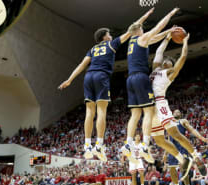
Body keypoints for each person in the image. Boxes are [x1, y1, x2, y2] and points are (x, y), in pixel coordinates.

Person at [58, 8, 155, 160]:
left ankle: (87, 145)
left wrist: (70, 79)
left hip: (88, 76)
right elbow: (132, 29)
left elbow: (81, 65)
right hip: (101, 77)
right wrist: (145, 16)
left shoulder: (92, 49)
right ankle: (99, 145)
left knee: (90, 112)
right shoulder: (111, 44)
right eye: (109, 34)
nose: (111, 35)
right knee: (101, 111)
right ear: (105, 37)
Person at [148, 33, 207, 179]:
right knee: (159, 140)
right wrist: (167, 38)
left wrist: (185, 43)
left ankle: (196, 156)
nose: (166, 62)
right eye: (166, 62)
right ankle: (183, 159)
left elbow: (182, 58)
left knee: (174, 134)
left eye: (170, 63)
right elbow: (159, 52)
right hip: (148, 107)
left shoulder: (170, 73)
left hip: (160, 103)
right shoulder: (155, 69)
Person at [125, 7, 179, 163]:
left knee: (135, 114)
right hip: (141, 77)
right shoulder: (141, 38)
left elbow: (156, 37)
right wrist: (170, 14)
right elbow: (158, 28)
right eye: (142, 28)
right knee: (148, 112)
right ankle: (145, 144)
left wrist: (168, 35)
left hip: (130, 79)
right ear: (139, 30)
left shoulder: (133, 41)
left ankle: (128, 144)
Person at [165, 109, 208, 185]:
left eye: (178, 112)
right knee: (172, 169)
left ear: (180, 114)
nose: (177, 112)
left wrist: (201, 137)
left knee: (183, 169)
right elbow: (168, 139)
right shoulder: (169, 123)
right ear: (172, 114)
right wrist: (166, 151)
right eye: (175, 111)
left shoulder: (183, 121)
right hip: (172, 147)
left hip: (182, 146)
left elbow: (192, 130)